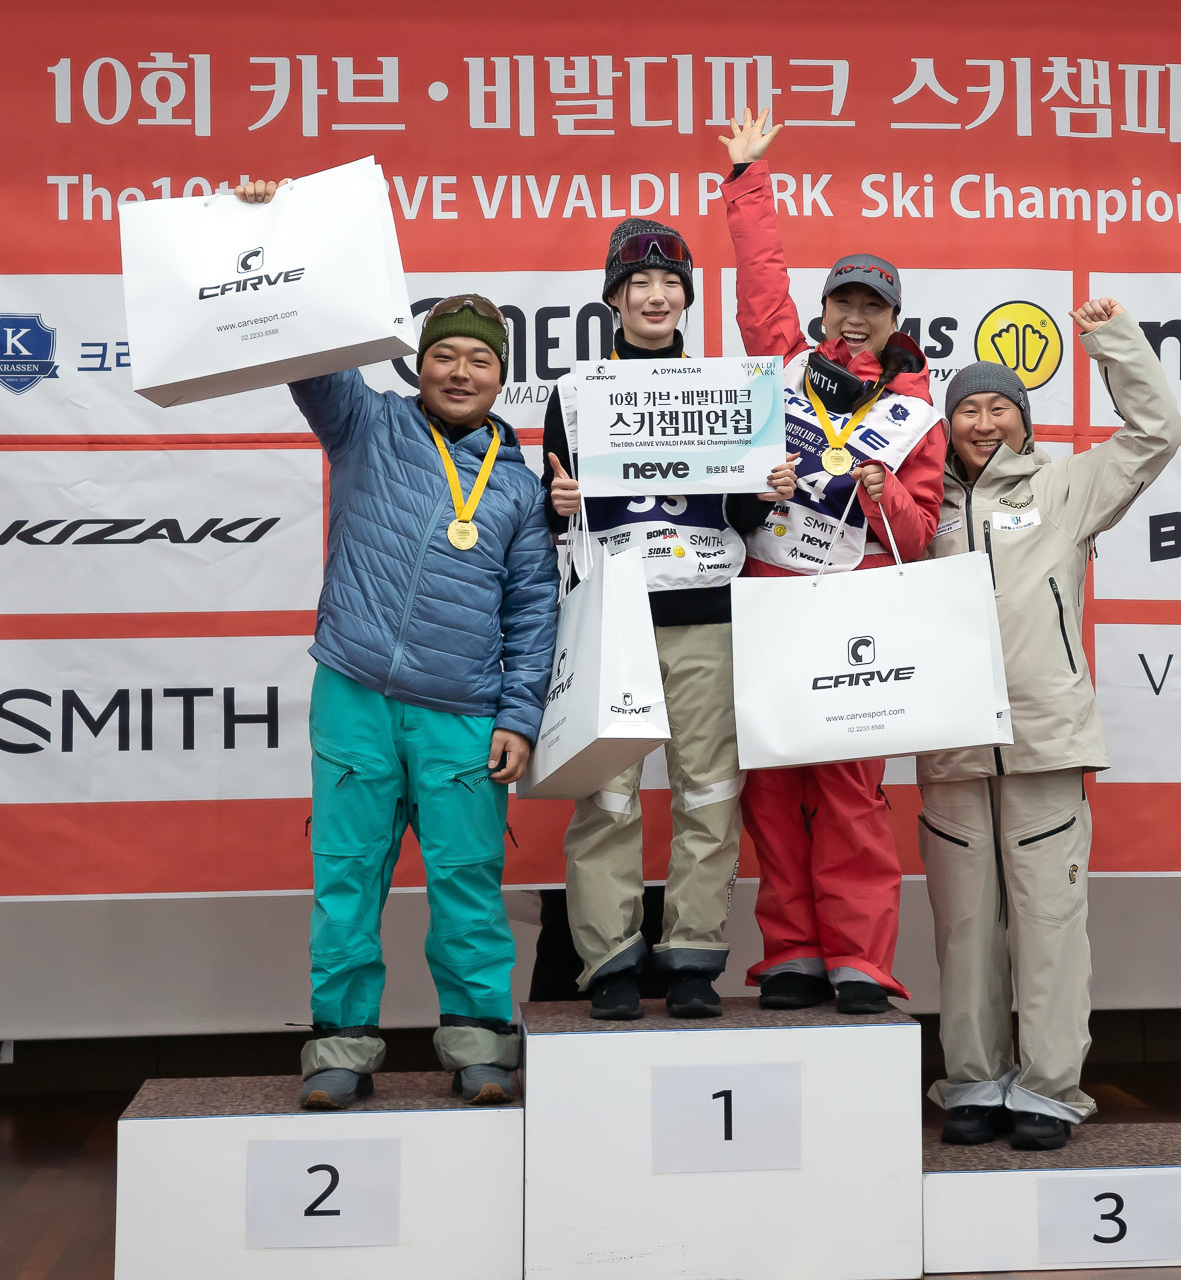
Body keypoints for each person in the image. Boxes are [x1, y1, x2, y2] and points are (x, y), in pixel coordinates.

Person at [232, 180, 557, 1111]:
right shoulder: (365, 423)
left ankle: (480, 1044)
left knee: (467, 884)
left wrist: (519, 717)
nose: (460, 371)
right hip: (356, 691)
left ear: (502, 378)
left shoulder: (519, 488)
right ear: (417, 364)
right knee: (346, 878)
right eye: (443, 355)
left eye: (479, 360)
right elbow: (308, 354)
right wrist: (273, 231)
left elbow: (534, 611)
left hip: (463, 711)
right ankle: (340, 1046)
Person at [918, 302, 1181, 1150]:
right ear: (947, 424)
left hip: (1045, 742)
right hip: (953, 748)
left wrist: (1114, 342)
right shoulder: (918, 506)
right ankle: (972, 1079)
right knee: (964, 930)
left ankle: (1047, 1088)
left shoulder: (1066, 488)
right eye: (967, 409)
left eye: (999, 407)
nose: (983, 422)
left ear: (1024, 422)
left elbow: (1156, 433)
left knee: (1050, 926)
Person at [717, 111, 947, 1013]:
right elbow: (758, 287)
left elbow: (919, 536)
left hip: (858, 615)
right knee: (773, 785)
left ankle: (859, 958)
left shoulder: (916, 412)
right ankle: (793, 953)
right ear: (822, 312)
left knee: (851, 791)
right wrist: (748, 181)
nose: (855, 316)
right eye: (843, 302)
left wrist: (879, 489)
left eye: (872, 306)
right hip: (770, 599)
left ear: (895, 322)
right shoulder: (783, 364)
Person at [537, 220, 792, 1021]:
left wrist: (769, 491)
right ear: (613, 299)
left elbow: (743, 514)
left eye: (671, 284)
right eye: (639, 284)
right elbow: (553, 513)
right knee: (607, 795)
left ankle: (692, 957)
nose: (656, 296)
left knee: (709, 788)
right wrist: (558, 503)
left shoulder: (727, 387)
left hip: (705, 608)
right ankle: (610, 960)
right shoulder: (576, 393)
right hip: (611, 617)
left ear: (686, 297)